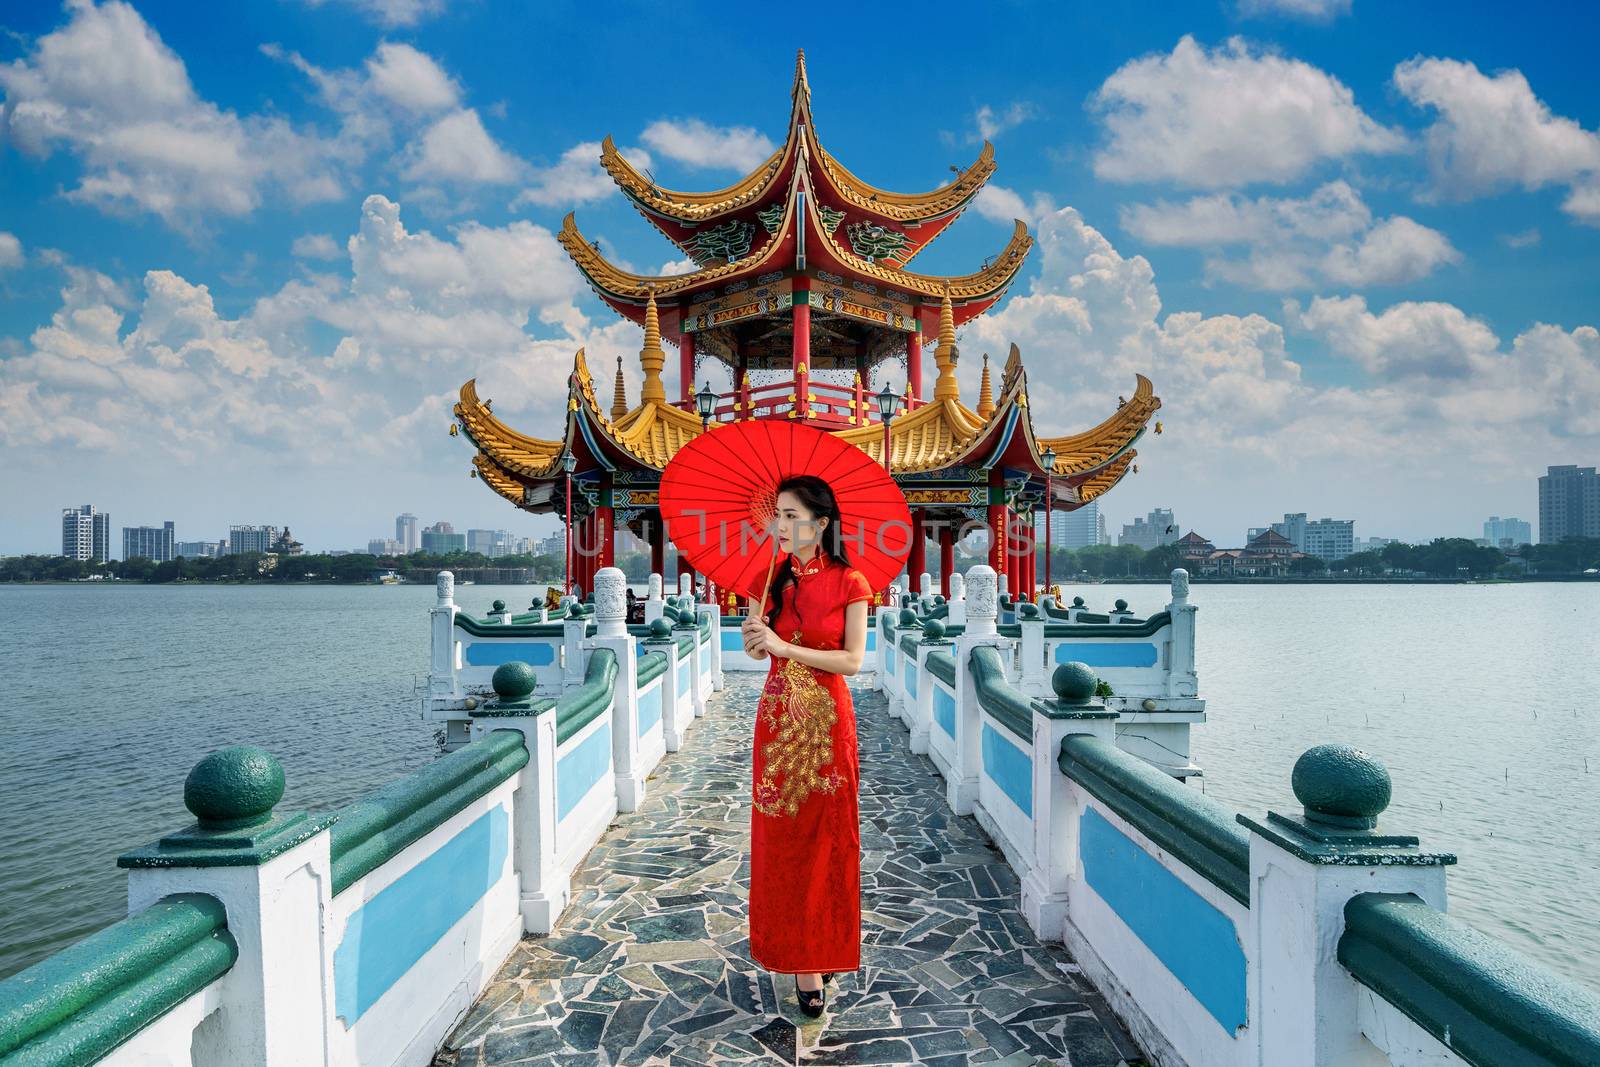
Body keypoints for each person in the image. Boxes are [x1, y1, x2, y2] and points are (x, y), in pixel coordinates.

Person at [740, 474, 872, 1018]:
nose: (783, 524)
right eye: (779, 514)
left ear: (820, 524)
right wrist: (757, 641)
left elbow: (852, 661)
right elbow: (755, 653)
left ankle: (824, 946)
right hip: (777, 725)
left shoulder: (851, 582)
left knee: (828, 838)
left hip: (826, 720)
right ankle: (799, 959)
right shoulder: (764, 577)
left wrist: (782, 647)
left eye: (793, 515)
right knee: (783, 841)